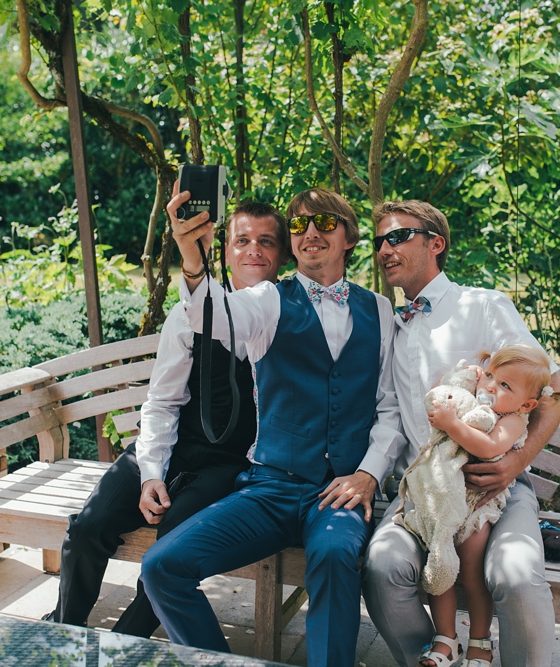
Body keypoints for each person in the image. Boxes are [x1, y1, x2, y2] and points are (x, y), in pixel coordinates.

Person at [141, 185, 403, 667]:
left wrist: (368, 474)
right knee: (162, 567)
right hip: (271, 486)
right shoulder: (267, 300)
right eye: (299, 224)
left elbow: (390, 408)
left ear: (349, 237)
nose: (309, 234)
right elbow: (212, 318)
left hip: (339, 490)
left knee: (334, 555)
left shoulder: (380, 310)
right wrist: (193, 259)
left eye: (324, 223)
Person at [44, 202, 288, 636]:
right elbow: (161, 401)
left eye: (266, 242)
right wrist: (151, 472)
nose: (254, 250)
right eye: (242, 240)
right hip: (168, 447)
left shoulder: (288, 319)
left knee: (172, 548)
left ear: (283, 256)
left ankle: (124, 647)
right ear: (226, 251)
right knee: (88, 527)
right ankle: (66, 631)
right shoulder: (186, 314)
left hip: (226, 465)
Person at [362, 200, 560, 667]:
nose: (384, 248)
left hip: (495, 483)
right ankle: (435, 654)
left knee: (515, 576)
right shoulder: (391, 325)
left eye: (398, 236)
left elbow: (553, 395)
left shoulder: (484, 305)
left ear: (436, 244)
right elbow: (391, 413)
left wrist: (512, 463)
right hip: (423, 487)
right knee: (382, 567)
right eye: (380, 241)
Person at [398, 346, 560, 667]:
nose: (491, 386)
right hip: (444, 500)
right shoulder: (479, 400)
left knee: (472, 575)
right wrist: (463, 382)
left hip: (477, 507)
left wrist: (452, 425)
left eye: (505, 386)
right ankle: (446, 638)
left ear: (527, 404)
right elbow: (448, 391)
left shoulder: (514, 421)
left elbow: (488, 445)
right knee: (442, 568)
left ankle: (480, 640)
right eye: (490, 375)